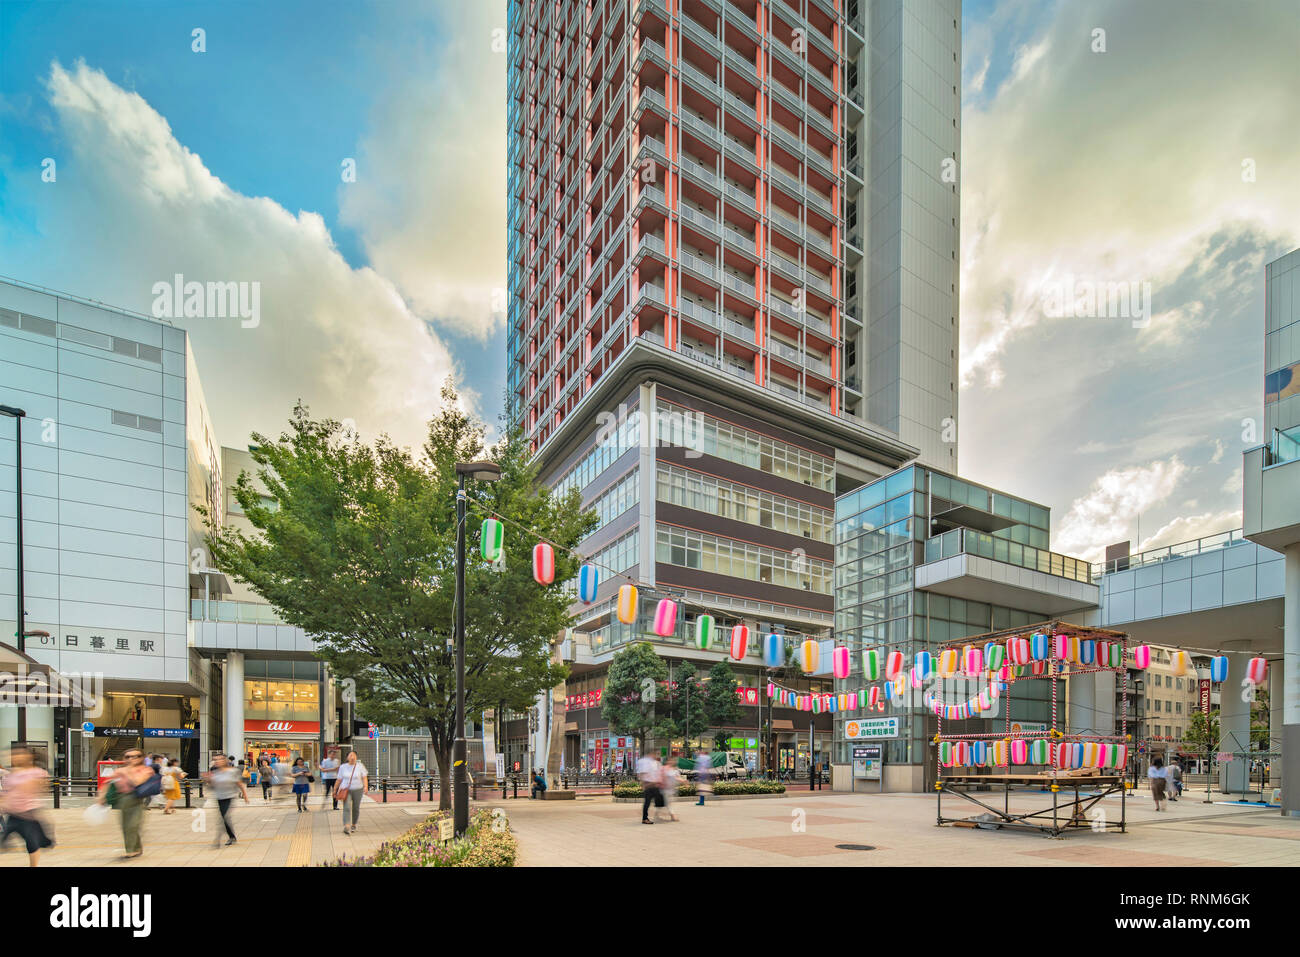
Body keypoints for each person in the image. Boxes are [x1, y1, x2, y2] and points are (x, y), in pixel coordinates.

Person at [0, 745, 54, 866]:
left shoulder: (37, 772)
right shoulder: (10, 775)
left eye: (19, 754)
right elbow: (5, 794)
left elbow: (43, 787)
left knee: (32, 844)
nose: (15, 757)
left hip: (29, 815)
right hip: (12, 815)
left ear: (28, 756)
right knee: (3, 842)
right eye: (13, 755)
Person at [96, 749, 155, 859]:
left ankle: (131, 850)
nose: (131, 759)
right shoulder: (120, 771)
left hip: (137, 799)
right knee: (125, 825)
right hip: (122, 798)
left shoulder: (145, 770)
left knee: (133, 825)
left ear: (141, 758)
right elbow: (107, 782)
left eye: (135, 756)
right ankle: (137, 848)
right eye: (127, 757)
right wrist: (101, 796)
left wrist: (128, 771)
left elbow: (137, 782)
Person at [204, 753, 249, 847]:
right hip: (219, 797)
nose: (216, 761)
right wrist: (208, 780)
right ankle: (231, 836)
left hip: (229, 796)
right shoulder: (215, 772)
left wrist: (245, 795)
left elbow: (239, 784)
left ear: (224, 761)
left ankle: (218, 838)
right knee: (223, 817)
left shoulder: (232, 771)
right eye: (215, 760)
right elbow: (212, 786)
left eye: (219, 759)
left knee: (224, 817)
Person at [333, 751, 368, 835]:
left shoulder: (360, 766)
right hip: (346, 789)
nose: (353, 757)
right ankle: (347, 825)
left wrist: (366, 786)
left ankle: (353, 824)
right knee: (347, 807)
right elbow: (339, 779)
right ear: (347, 757)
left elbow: (364, 777)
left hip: (358, 789)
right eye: (351, 755)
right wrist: (335, 789)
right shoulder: (343, 767)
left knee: (356, 808)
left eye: (354, 755)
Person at [635, 751, 661, 824]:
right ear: (651, 754)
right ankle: (644, 818)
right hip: (648, 784)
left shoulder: (653, 762)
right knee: (648, 802)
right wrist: (643, 784)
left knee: (658, 798)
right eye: (656, 754)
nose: (657, 756)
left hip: (653, 784)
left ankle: (648, 814)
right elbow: (642, 773)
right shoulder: (645, 761)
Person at [658, 757, 679, 822]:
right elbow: (661, 777)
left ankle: (658, 812)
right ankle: (673, 816)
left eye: (673, 760)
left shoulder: (675, 769)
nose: (672, 762)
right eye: (671, 760)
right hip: (665, 789)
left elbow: (677, 778)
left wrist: (684, 781)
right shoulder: (664, 768)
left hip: (672, 789)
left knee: (669, 803)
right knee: (669, 803)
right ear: (667, 761)